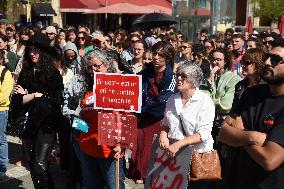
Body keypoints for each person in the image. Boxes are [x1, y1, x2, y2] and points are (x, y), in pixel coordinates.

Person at [218, 39, 284, 189]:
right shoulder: (251, 94)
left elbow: (269, 160)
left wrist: (239, 134)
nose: (267, 62)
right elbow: (223, 133)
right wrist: (252, 137)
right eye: (267, 56)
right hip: (239, 181)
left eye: (275, 59)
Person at [65, 49, 125, 189]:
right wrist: (81, 130)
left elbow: (127, 116)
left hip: (109, 150)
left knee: (114, 186)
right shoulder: (85, 86)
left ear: (106, 65)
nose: (94, 70)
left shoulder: (118, 85)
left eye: (97, 66)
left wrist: (122, 142)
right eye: (90, 67)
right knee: (91, 185)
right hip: (87, 147)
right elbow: (76, 115)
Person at [13, 33, 63, 188]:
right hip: (28, 124)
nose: (33, 53)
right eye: (30, 50)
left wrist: (28, 97)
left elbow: (56, 101)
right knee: (33, 166)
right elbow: (17, 100)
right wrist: (34, 95)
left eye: (36, 50)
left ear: (44, 52)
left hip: (46, 125)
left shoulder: (53, 74)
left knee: (39, 165)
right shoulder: (26, 73)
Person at [159, 62, 215, 189]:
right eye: (178, 75)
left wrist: (178, 144)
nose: (179, 78)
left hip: (197, 157)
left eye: (183, 76)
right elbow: (165, 123)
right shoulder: (172, 99)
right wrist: (163, 134)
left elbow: (203, 134)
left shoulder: (204, 101)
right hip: (174, 157)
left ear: (193, 80)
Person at [129, 41, 176, 183]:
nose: (156, 57)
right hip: (141, 114)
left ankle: (146, 174)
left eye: (161, 55)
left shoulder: (171, 77)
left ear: (167, 58)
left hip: (157, 117)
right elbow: (135, 88)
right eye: (155, 53)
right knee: (138, 143)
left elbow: (164, 101)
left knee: (150, 146)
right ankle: (137, 171)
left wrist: (143, 109)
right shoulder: (145, 72)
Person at [202, 48, 240, 144]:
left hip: (223, 125)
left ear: (226, 61)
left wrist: (208, 102)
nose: (215, 62)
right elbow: (201, 98)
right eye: (213, 59)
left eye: (218, 60)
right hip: (207, 123)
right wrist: (210, 80)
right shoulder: (209, 77)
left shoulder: (233, 79)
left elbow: (225, 106)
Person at [0, 49, 14, 181]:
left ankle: (2, 168)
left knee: (1, 140)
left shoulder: (6, 73)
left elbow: (4, 95)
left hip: (1, 111)